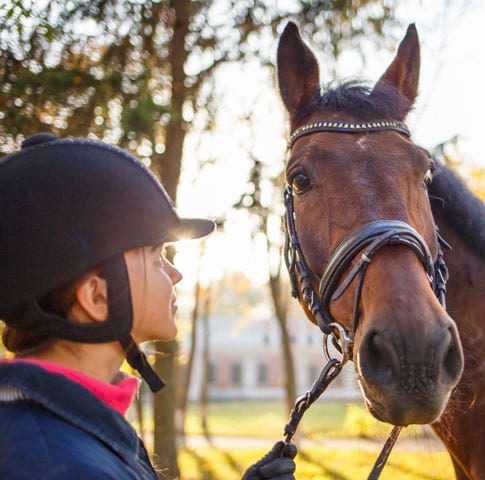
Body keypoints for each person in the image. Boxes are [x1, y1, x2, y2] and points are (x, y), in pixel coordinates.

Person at [0, 133, 297, 479]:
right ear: (97, 297)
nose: (176, 274)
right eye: (158, 257)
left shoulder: (69, 426)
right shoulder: (60, 465)